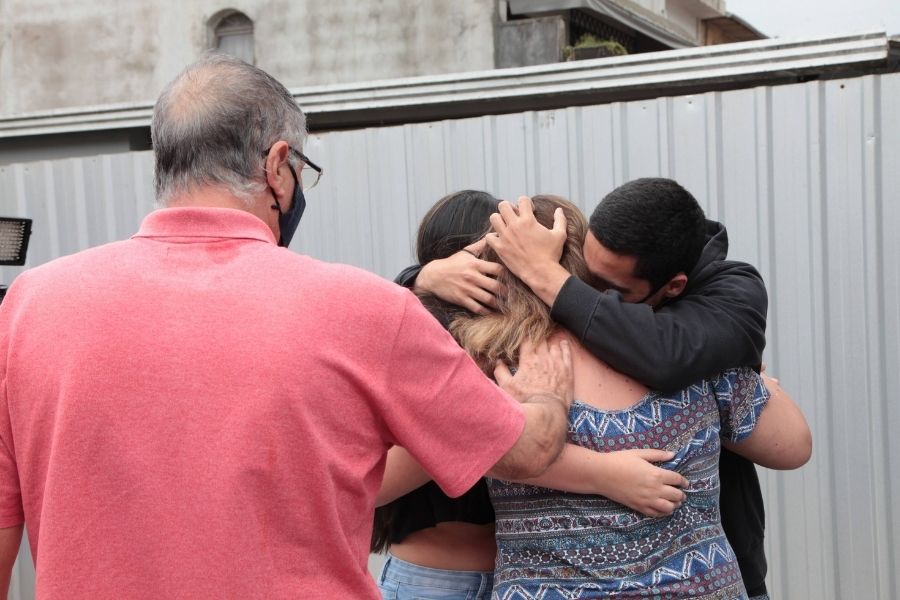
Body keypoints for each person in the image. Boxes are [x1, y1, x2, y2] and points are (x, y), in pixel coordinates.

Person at [0, 54, 578, 599]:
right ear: (278, 167)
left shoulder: (28, 307)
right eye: (303, 171)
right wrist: (545, 395)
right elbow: (526, 453)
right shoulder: (366, 309)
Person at [406, 179, 774, 599]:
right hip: (446, 572)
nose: (593, 296)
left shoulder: (707, 314)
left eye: (611, 291)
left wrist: (545, 277)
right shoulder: (482, 356)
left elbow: (668, 355)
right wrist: (419, 281)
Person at [375, 191, 689, 600]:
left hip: (510, 574)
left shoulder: (537, 345)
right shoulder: (444, 343)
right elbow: (484, 452)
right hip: (438, 578)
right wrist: (418, 281)